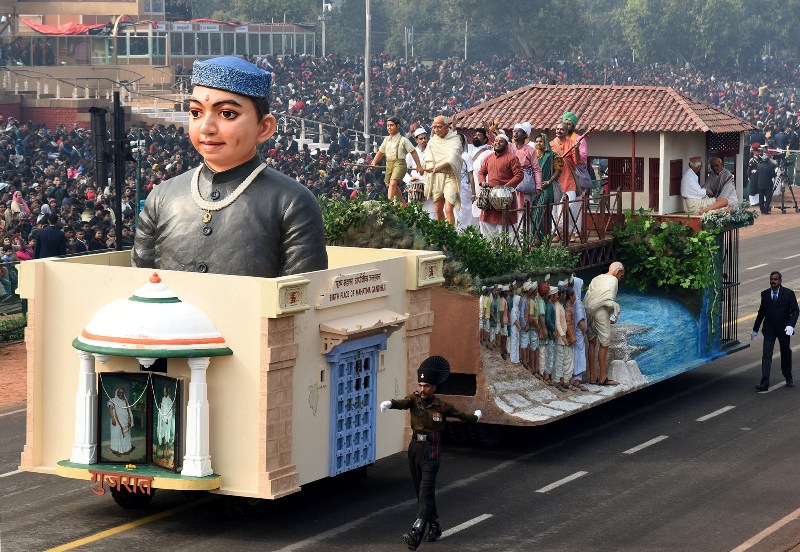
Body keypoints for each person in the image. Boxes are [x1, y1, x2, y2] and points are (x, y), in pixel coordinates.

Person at [132, 56, 328, 277]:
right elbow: (141, 284)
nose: (206, 127)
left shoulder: (292, 203)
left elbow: (301, 296)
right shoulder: (161, 197)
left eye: (227, 114)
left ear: (264, 127)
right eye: (196, 112)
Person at [379, 356, 481, 550]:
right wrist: (390, 404)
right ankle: (434, 525)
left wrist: (475, 418)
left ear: (434, 387)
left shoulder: (441, 406)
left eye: (426, 386)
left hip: (432, 448)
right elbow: (403, 402)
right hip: (415, 448)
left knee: (426, 491)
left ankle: (416, 532)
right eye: (420, 385)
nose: (422, 389)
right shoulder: (414, 400)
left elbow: (461, 415)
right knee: (421, 492)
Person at [752, 271, 799, 391]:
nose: (773, 281)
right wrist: (755, 329)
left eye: (775, 279)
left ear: (780, 280)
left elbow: (795, 311)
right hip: (769, 330)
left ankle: (788, 376)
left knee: (785, 353)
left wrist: (791, 325)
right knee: (766, 354)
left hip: (784, 330)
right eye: (771, 279)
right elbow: (761, 312)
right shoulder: (765, 294)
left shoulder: (788, 294)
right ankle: (764, 382)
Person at [584, 261, 625, 386]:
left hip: (588, 310)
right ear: (618, 272)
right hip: (599, 311)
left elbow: (589, 295)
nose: (620, 278)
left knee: (592, 342)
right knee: (605, 342)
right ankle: (602, 378)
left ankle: (592, 376)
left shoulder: (597, 278)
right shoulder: (613, 280)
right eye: (621, 276)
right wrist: (613, 313)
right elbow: (607, 300)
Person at [476, 133, 523, 238]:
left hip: (505, 197)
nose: (497, 143)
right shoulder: (488, 157)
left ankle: (506, 252)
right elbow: (481, 172)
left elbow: (519, 175)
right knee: (486, 223)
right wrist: (482, 182)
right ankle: (491, 251)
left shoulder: (512, 158)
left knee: (506, 225)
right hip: (490, 196)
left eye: (501, 141)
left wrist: (506, 186)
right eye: (496, 141)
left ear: (506, 145)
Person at [370, 115, 421, 202]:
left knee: (393, 183)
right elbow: (381, 152)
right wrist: (374, 161)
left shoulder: (404, 140)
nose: (389, 127)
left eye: (391, 125)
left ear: (398, 126)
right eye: (388, 125)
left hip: (400, 164)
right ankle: (402, 205)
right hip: (389, 163)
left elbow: (413, 152)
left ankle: (389, 204)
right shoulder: (386, 140)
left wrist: (419, 166)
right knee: (393, 185)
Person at [423, 116, 463, 225]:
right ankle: (442, 233)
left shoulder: (455, 140)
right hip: (437, 177)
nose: (436, 130)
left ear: (447, 127)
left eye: (439, 127)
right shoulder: (433, 141)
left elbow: (454, 157)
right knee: (437, 208)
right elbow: (427, 156)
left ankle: (450, 235)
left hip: (450, 176)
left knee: (449, 208)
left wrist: (441, 166)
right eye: (434, 127)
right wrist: (426, 165)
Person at [550, 121, 582, 239]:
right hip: (555, 181)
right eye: (557, 129)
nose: (559, 131)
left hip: (569, 181)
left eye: (562, 129)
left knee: (570, 208)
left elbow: (577, 161)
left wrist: (577, 149)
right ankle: (557, 233)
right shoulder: (551, 145)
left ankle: (571, 232)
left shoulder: (572, 143)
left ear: (567, 131)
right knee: (555, 209)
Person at [571, 276, 589, 390]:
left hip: (575, 333)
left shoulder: (574, 301)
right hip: (578, 334)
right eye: (581, 287)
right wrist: (585, 330)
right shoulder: (577, 302)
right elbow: (580, 321)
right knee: (578, 355)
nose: (582, 289)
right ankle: (576, 379)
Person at [107, 387, 134, 456]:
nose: (121, 394)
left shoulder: (125, 401)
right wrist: (113, 418)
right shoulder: (113, 400)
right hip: (116, 421)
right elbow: (110, 409)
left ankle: (126, 449)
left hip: (125, 421)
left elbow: (128, 411)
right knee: (117, 435)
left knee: (126, 435)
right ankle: (117, 451)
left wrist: (130, 420)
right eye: (120, 392)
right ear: (117, 393)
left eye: (122, 393)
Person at [755, 149, 777, 215]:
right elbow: (773, 175)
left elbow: (757, 174)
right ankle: (766, 210)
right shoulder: (770, 166)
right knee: (768, 198)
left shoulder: (759, 165)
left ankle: (762, 210)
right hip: (768, 185)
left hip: (760, 184)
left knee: (761, 197)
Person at [156, 385, 174, 458]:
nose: (164, 393)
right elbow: (162, 408)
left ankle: (166, 452)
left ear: (167, 392)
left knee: (167, 435)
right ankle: (162, 452)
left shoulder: (169, 400)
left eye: (165, 392)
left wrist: (167, 419)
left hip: (167, 420)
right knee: (161, 434)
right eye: (164, 392)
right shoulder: (163, 399)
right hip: (162, 419)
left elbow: (170, 410)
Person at [509, 293, 521, 364]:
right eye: (519, 301)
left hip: (517, 328)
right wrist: (519, 327)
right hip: (514, 328)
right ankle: (513, 359)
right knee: (513, 343)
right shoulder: (514, 309)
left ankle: (517, 359)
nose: (520, 302)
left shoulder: (517, 309)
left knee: (517, 343)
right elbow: (515, 320)